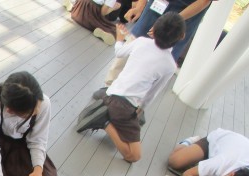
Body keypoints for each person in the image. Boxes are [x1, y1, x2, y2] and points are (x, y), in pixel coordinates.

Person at [77, 14, 185, 162]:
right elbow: (152, 93)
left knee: (132, 118)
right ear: (182, 36)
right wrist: (141, 109)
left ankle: (106, 109)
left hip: (111, 92)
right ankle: (104, 122)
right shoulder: (170, 66)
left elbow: (119, 52)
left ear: (153, 29)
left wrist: (120, 39)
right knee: (134, 156)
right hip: (124, 106)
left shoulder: (141, 42)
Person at [125, 0, 211, 62]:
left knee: (160, 62)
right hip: (156, 6)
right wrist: (139, 6)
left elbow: (204, 1)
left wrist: (171, 21)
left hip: (185, 14)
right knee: (131, 48)